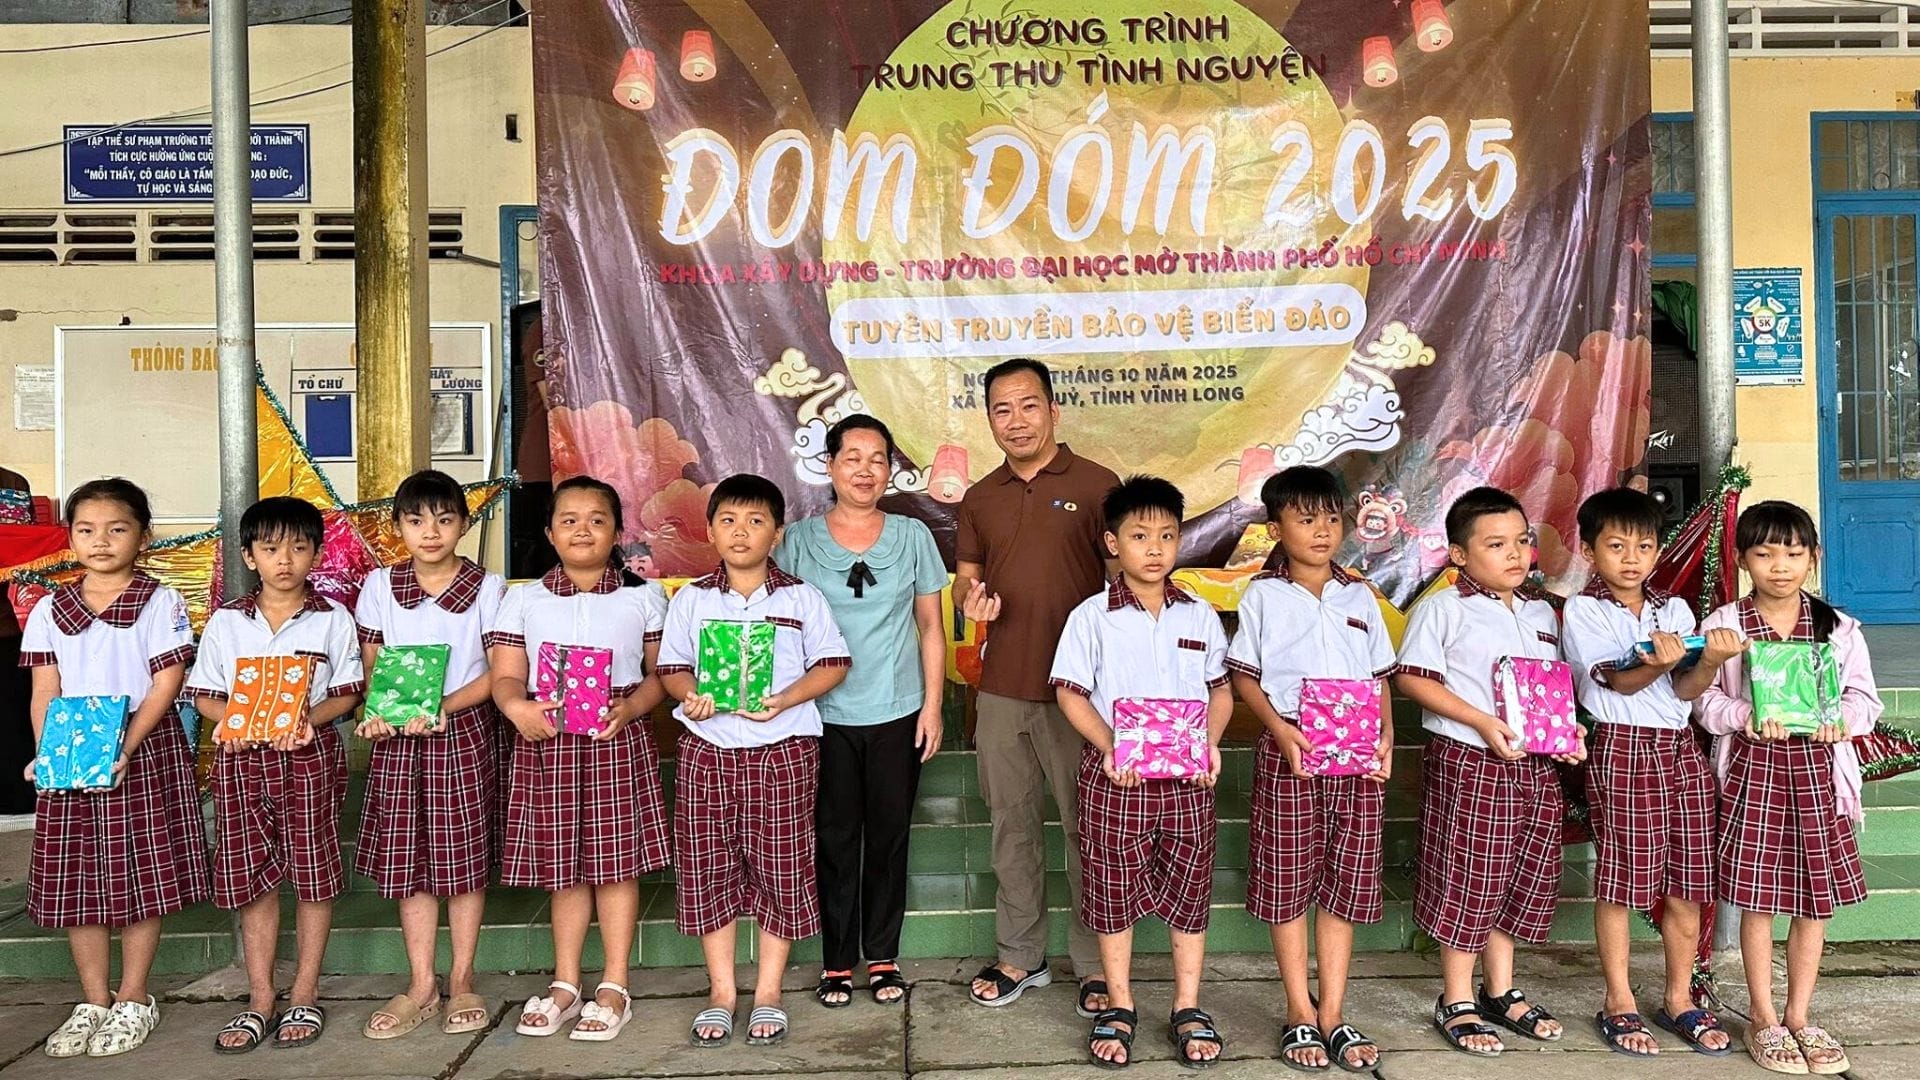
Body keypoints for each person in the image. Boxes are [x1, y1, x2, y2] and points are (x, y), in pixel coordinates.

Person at [657, 474, 851, 1047]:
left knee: (780, 866)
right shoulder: (692, 599)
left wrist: (786, 699)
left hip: (784, 750)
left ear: (777, 533)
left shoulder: (801, 598)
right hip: (708, 750)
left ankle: (768, 992)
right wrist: (690, 694)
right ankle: (721, 992)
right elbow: (672, 669)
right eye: (728, 521)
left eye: (756, 521)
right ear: (711, 531)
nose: (741, 532)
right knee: (708, 865)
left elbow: (833, 663)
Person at [1393, 486, 1586, 1058]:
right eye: (1496, 544)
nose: (1514, 553)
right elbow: (1412, 677)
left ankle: (1500, 990)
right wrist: (1481, 721)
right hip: (1470, 760)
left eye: (1521, 541)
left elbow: (1551, 689)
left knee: (1521, 871)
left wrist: (1568, 734)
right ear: (1459, 554)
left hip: (1534, 764)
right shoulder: (1443, 608)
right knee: (1469, 874)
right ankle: (1456, 997)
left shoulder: (1541, 611)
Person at [20, 478, 209, 1058]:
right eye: (86, 529)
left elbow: (166, 682)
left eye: (117, 529)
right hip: (73, 751)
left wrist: (124, 745)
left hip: (141, 746)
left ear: (143, 537)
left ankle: (133, 997)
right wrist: (50, 753)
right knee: (79, 876)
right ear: (70, 537)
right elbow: (44, 690)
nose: (100, 541)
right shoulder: (50, 608)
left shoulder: (160, 601)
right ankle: (93, 1000)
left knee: (139, 873)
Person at [1695, 501, 1881, 1076]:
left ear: (1813, 558)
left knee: (1814, 900)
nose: (1780, 566)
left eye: (1794, 554)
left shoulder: (1837, 628)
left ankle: (1800, 1015)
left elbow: (1864, 699)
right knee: (1757, 898)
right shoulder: (1724, 625)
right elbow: (1703, 700)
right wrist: (1743, 715)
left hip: (1819, 777)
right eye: (1765, 553)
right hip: (1754, 775)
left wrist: (1840, 721)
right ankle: (1764, 1016)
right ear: (1741, 559)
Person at [1050, 476, 1230, 1069]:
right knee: (1111, 891)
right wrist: (1109, 746)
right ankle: (1121, 1003)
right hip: (1117, 780)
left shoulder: (1199, 615)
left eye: (1167, 536)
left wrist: (1210, 743)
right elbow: (1071, 692)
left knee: (1190, 890)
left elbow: (1220, 690)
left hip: (1188, 782)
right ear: (1113, 543)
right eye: (1139, 536)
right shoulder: (1091, 617)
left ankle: (1187, 1005)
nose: (1154, 548)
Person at [955, 357, 1118, 1015]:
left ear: (1053, 410)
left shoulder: (1098, 484)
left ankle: (1096, 966)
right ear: (989, 419)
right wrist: (971, 602)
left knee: (1089, 829)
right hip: (1001, 687)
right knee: (1011, 827)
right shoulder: (980, 497)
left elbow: (1126, 584)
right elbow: (966, 582)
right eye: (1002, 409)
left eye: (1028, 405)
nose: (1016, 420)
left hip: (1080, 693)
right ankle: (1021, 956)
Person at [773, 415, 946, 1008]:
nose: (865, 470)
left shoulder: (913, 536)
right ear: (829, 465)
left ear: (890, 469)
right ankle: (837, 960)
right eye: (853, 457)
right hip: (822, 716)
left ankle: (884, 955)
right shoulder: (798, 540)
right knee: (835, 837)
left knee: (890, 837)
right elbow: (780, 626)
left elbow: (931, 627)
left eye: (878, 459)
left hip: (898, 710)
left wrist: (933, 707)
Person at [489, 476, 670, 1042]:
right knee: (562, 866)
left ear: (617, 532)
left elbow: (661, 676)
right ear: (549, 532)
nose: (583, 530)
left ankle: (615, 985)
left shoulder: (644, 596)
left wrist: (632, 708)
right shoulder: (523, 598)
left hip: (616, 736)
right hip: (548, 740)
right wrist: (517, 708)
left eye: (597, 519)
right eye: (568, 520)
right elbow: (506, 675)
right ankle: (566, 984)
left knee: (616, 865)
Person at [1226, 467, 1395, 1072]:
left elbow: (1379, 676)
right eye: (1305, 519)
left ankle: (1333, 1013)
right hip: (1292, 747)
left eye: (1330, 518)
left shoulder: (1360, 595)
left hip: (1358, 752)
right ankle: (1299, 1008)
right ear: (1276, 529)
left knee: (1345, 880)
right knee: (1289, 878)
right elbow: (1244, 675)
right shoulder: (1263, 596)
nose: (1322, 531)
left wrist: (1387, 737)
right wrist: (1280, 730)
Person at [1560, 488, 1733, 1058]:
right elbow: (1617, 681)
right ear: (1590, 551)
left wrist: (1708, 661)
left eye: (1644, 546)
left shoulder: (1674, 609)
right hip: (1623, 748)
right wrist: (1654, 662)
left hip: (1681, 750)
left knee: (1689, 880)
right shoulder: (1583, 610)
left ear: (1658, 550)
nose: (1632, 558)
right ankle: (1619, 1000)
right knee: (1622, 880)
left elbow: (1685, 690)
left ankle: (1679, 998)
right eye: (1616, 546)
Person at [189, 496, 364, 1052]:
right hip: (241, 761)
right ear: (249, 555)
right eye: (269, 548)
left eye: (298, 547)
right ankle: (260, 997)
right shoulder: (226, 622)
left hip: (309, 756)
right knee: (251, 877)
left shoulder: (333, 618)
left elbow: (347, 692)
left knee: (312, 871)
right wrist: (231, 721)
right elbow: (205, 694)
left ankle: (305, 991)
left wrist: (309, 719)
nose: (284, 560)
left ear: (317, 553)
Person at [354, 470, 507, 1040]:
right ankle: (421, 983)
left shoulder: (488, 588)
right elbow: (373, 664)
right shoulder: (379, 586)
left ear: (464, 524)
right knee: (408, 859)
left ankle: (463, 978)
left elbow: (499, 671)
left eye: (445, 519)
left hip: (462, 731)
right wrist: (379, 711)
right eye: (416, 520)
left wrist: (444, 705)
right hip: (397, 738)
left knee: (463, 859)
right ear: (398, 526)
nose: (431, 532)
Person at [0, 466, 38, 814]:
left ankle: (16, 797)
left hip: (6, 626)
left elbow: (27, 549)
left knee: (11, 714)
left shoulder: (11, 483)